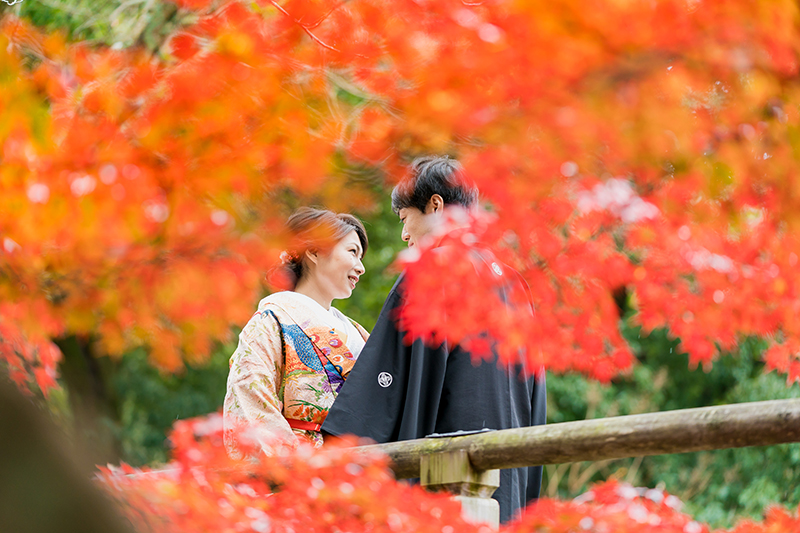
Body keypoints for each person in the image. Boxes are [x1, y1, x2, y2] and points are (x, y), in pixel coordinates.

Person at [321, 156, 546, 524]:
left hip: (447, 481)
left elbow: (385, 382)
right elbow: (534, 397)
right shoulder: (515, 283)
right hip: (509, 481)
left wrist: (337, 441)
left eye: (404, 218)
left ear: (435, 205)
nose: (404, 234)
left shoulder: (431, 268)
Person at [223, 207, 370, 456]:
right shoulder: (270, 322)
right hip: (304, 460)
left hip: (363, 459)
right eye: (352, 252)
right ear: (314, 251)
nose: (360, 267)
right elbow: (250, 396)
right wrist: (296, 463)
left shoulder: (357, 332)